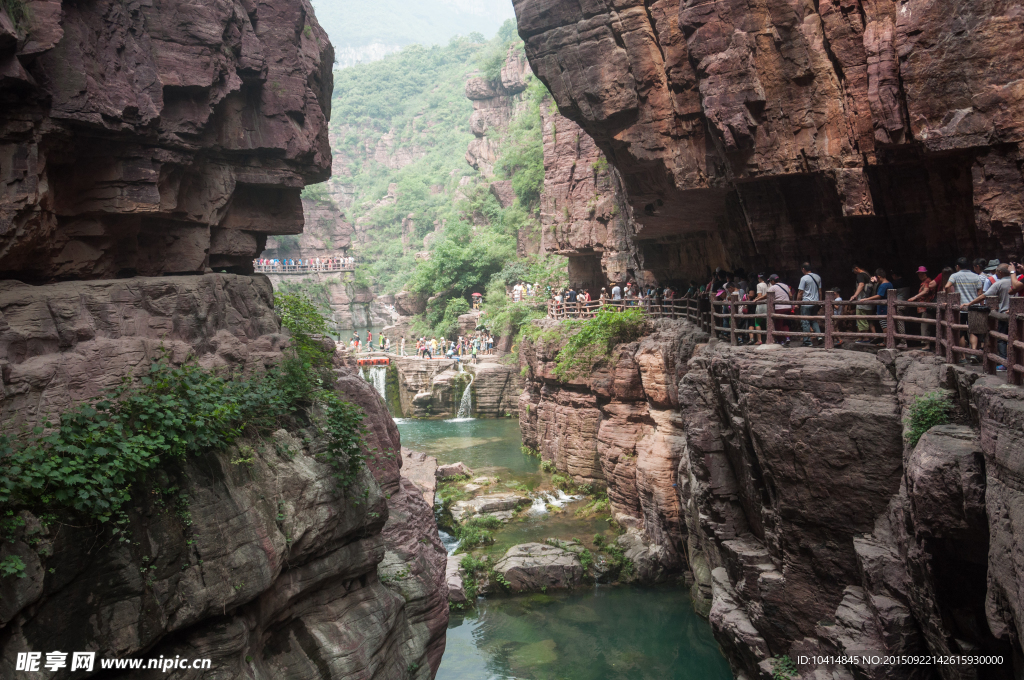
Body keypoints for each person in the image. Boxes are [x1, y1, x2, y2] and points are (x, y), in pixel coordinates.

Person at [968, 263, 1023, 369]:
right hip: (1018, 315)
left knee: (1002, 339)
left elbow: (984, 296)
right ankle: (1016, 361)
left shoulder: (1000, 283)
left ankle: (1004, 362)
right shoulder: (1018, 281)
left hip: (1004, 314)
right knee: (1017, 339)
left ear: (1000, 272)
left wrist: (970, 304)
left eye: (996, 271)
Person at [945, 257, 985, 357]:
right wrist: (982, 306)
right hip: (974, 307)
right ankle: (973, 353)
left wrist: (949, 297)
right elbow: (980, 293)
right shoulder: (976, 276)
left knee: (961, 332)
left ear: (958, 266)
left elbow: (947, 286)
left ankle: (962, 355)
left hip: (961, 308)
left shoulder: (955, 275)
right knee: (974, 331)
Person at [907, 266, 938, 349]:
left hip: (927, 307)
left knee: (925, 325)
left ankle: (927, 344)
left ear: (925, 274)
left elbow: (926, 291)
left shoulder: (927, 281)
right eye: (919, 274)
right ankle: (927, 344)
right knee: (925, 325)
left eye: (921, 274)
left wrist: (915, 297)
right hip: (923, 307)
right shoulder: (923, 282)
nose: (920, 276)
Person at [796, 262, 823, 347]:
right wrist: (820, 302)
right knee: (814, 320)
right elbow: (820, 291)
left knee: (805, 321)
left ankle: (807, 341)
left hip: (806, 303)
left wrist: (797, 303)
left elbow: (800, 292)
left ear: (803, 269)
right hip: (815, 302)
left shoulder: (804, 278)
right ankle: (819, 336)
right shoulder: (818, 277)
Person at [767, 274, 793, 343]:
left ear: (772, 281)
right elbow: (790, 295)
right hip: (787, 307)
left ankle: (780, 340)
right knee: (785, 323)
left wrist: (758, 299)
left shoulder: (772, 288)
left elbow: (767, 296)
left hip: (779, 308)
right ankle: (787, 337)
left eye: (770, 281)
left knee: (778, 324)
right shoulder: (785, 285)